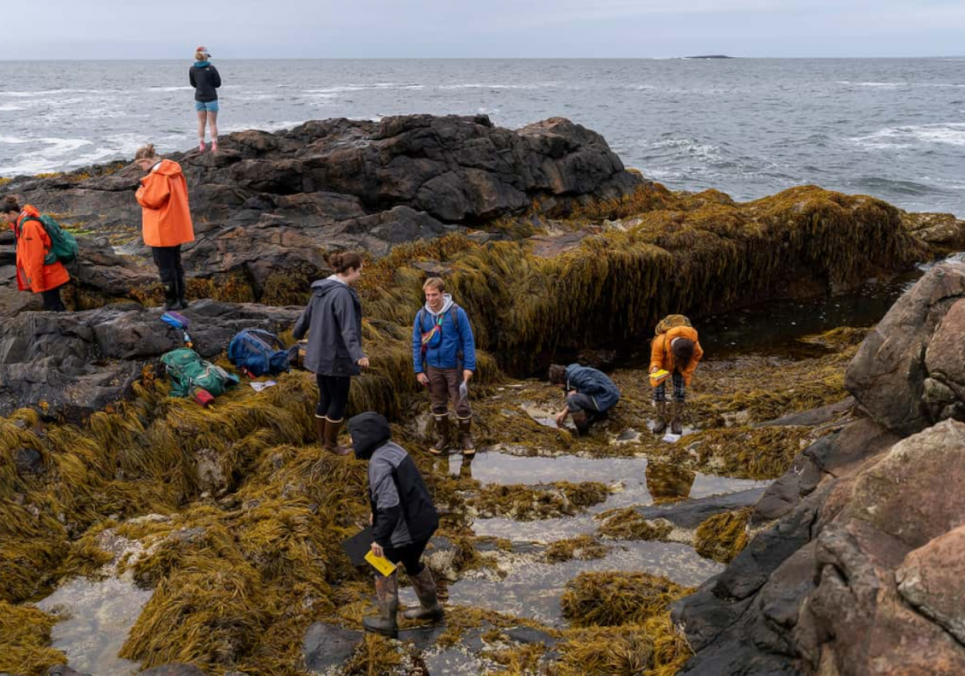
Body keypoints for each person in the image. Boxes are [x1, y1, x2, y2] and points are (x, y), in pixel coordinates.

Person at [349, 412, 443, 638]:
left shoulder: (379, 462)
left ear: (366, 437)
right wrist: (375, 512)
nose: (351, 441)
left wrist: (379, 539)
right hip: (424, 520)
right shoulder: (394, 449)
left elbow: (390, 505)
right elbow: (402, 488)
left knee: (381, 564)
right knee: (411, 560)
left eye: (353, 436)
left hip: (406, 527)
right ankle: (431, 607)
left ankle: (387, 620)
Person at [293, 252, 370, 456]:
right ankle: (331, 445)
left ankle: (323, 441)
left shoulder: (322, 288)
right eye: (359, 271)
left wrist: (297, 333)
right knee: (338, 400)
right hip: (336, 357)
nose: (360, 275)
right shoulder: (342, 294)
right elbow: (348, 329)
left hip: (319, 354)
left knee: (325, 397)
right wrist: (358, 355)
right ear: (350, 270)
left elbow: (306, 316)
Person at [412, 277, 477, 456]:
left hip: (454, 366)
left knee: (461, 404)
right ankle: (443, 438)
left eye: (434, 295)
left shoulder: (457, 313)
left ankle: (466, 438)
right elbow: (417, 343)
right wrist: (418, 370)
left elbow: (468, 340)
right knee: (438, 404)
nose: (431, 299)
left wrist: (469, 366)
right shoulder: (421, 315)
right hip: (432, 367)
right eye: (427, 295)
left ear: (442, 293)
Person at [134, 144, 195, 311]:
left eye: (140, 164)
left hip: (161, 228)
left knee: (165, 267)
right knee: (176, 263)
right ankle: (181, 299)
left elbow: (152, 200)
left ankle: (172, 302)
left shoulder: (159, 176)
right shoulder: (174, 171)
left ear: (146, 161)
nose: (141, 168)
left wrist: (139, 192)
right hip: (175, 225)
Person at [1, 196, 69, 312]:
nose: (4, 221)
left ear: (12, 213)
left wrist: (36, 283)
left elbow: (35, 257)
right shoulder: (21, 224)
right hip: (46, 272)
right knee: (53, 304)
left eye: (4, 217)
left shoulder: (29, 226)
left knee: (53, 307)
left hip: (48, 274)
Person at [649, 315, 704, 435]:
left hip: (682, 366)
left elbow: (696, 357)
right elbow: (656, 358)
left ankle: (677, 419)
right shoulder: (660, 341)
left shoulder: (694, 344)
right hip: (663, 364)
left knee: (680, 391)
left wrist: (686, 371)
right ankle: (660, 418)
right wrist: (655, 368)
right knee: (658, 391)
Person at [549, 363, 621, 435]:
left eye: (557, 385)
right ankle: (595, 416)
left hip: (607, 396)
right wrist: (564, 412)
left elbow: (593, 386)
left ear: (559, 380)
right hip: (605, 394)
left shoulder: (576, 375)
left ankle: (583, 432)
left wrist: (577, 391)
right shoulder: (570, 374)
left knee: (572, 398)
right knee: (571, 396)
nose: (559, 387)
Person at [189, 46, 221, 153]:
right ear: (206, 56)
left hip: (199, 98)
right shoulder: (211, 68)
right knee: (212, 123)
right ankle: (214, 144)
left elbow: (193, 84)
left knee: (201, 123)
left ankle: (201, 144)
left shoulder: (192, 69)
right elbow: (218, 84)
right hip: (211, 98)